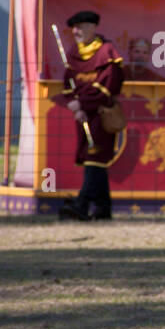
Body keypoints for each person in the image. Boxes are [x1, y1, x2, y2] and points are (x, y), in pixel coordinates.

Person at [57, 11, 124, 220]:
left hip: (101, 114)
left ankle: (81, 204)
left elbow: (109, 84)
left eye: (81, 26)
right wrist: (74, 105)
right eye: (74, 28)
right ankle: (103, 209)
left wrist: (83, 104)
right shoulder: (73, 53)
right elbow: (68, 83)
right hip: (83, 115)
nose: (76, 31)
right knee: (92, 159)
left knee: (95, 157)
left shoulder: (106, 51)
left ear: (93, 27)